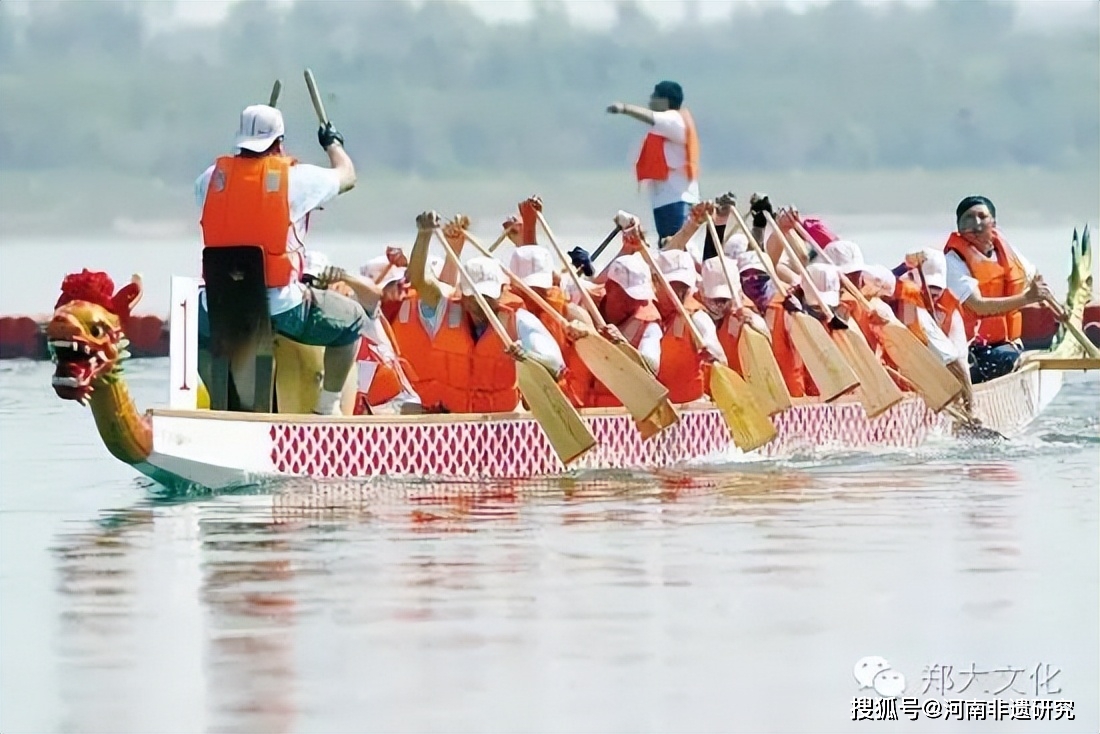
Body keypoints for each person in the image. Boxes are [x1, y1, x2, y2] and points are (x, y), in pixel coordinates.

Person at [196, 104, 364, 415]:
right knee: (352, 319)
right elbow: (348, 176)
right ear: (279, 142)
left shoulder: (208, 179)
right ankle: (327, 409)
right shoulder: (297, 179)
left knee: (192, 330)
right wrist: (333, 144)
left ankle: (220, 403)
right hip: (281, 307)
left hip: (219, 308)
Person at [394, 211, 565, 413]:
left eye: (488, 296)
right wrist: (423, 235)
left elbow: (555, 366)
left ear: (502, 291)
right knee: (406, 408)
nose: (481, 303)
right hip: (454, 422)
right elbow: (420, 281)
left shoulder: (519, 321)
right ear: (463, 294)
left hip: (501, 425)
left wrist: (527, 356)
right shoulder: (446, 309)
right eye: (474, 296)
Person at [941, 195, 1051, 383]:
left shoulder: (1007, 252)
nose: (976, 224)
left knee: (1022, 357)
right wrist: (1027, 298)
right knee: (1014, 360)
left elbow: (1036, 279)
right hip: (971, 349)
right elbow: (978, 306)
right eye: (968, 218)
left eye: (982, 217)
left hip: (1007, 343)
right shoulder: (953, 261)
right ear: (959, 228)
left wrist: (1054, 304)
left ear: (993, 223)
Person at [606, 80, 700, 239]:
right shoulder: (666, 126)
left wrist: (624, 108)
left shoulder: (674, 119)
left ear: (665, 100)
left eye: (654, 96)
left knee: (674, 249)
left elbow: (651, 117)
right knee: (666, 246)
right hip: (665, 200)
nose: (650, 99)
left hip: (677, 199)